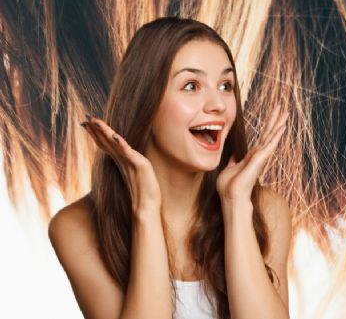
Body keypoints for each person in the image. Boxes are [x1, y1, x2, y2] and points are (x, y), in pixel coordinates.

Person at [48, 17, 291, 319]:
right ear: (144, 103)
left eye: (226, 85)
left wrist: (236, 205)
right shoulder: (76, 227)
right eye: (191, 85)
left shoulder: (267, 211)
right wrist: (146, 209)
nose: (218, 104)